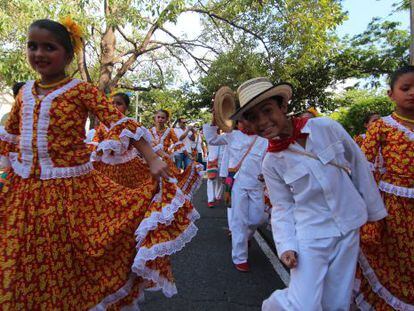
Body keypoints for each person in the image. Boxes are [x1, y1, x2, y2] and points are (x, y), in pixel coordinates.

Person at [0, 18, 198, 309]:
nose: (39, 53)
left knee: (70, 262)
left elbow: (122, 124)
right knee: (20, 262)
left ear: (68, 55)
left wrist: (153, 159)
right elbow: (11, 137)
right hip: (24, 195)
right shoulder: (23, 93)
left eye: (49, 47)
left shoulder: (81, 91)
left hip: (70, 194)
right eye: (32, 46)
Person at [233, 77, 387, 310]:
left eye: (267, 110)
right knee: (303, 304)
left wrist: (375, 213)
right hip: (311, 235)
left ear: (283, 107)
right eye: (253, 117)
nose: (263, 121)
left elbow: (359, 165)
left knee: (336, 303)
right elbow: (282, 206)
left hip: (348, 227)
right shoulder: (271, 163)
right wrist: (286, 245)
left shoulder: (326, 128)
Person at [355, 66, 414, 310]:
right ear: (391, 94)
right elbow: (364, 170)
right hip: (393, 210)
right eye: (406, 88)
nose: (412, 93)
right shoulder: (381, 127)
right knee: (397, 262)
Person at [204, 118, 268, 273]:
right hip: (237, 184)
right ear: (237, 123)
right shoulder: (232, 135)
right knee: (239, 221)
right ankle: (240, 257)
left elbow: (270, 160)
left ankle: (245, 237)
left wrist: (266, 175)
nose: (245, 124)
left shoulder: (265, 139)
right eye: (241, 121)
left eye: (249, 120)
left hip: (257, 186)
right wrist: (213, 122)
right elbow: (212, 139)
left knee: (258, 218)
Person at [90, 92, 153, 189]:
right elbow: (95, 145)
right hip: (106, 170)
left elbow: (145, 145)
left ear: (126, 108)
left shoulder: (129, 124)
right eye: (112, 103)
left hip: (129, 170)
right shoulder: (102, 126)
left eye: (119, 103)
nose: (114, 106)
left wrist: (160, 157)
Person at [151, 109, 203, 197]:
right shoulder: (149, 131)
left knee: (168, 185)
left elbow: (178, 144)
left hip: (165, 161)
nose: (160, 119)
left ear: (166, 119)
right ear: (155, 118)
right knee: (152, 185)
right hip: (152, 161)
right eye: (158, 117)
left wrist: (189, 156)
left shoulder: (170, 131)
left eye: (163, 118)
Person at [206, 128, 224, 208]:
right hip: (211, 161)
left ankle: (218, 196)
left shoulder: (226, 136)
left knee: (221, 179)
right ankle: (210, 200)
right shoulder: (210, 136)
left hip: (222, 160)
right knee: (211, 179)